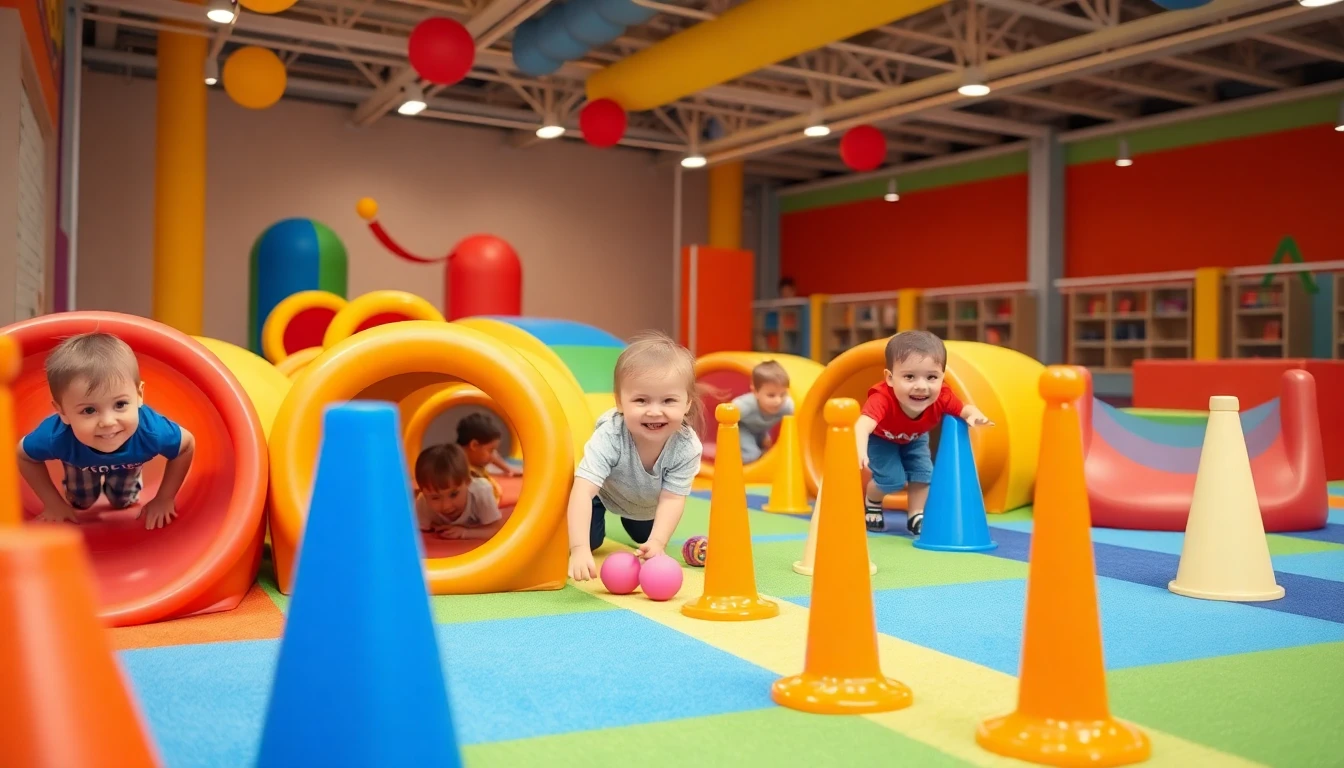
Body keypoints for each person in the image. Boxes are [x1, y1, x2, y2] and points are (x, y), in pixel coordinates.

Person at [16, 332, 195, 530]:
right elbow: (24, 456)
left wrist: (164, 498)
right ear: (62, 412)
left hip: (129, 462)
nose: (108, 422)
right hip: (79, 463)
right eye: (89, 410)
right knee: (81, 502)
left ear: (139, 395)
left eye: (120, 404)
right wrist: (53, 503)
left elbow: (186, 445)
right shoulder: (57, 437)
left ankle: (127, 485)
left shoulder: (151, 431)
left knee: (122, 501)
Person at [566, 330, 703, 580]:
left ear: (687, 404)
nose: (654, 411)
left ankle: (641, 528)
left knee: (645, 541)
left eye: (668, 401)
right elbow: (583, 490)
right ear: (619, 402)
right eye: (641, 400)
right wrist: (579, 549)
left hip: (647, 504)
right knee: (590, 541)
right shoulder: (611, 435)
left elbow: (672, 499)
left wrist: (658, 542)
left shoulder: (686, 447)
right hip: (603, 495)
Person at [855, 330, 992, 535]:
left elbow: (964, 408)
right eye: (910, 376)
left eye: (931, 377)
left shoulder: (943, 396)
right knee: (892, 480)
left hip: (915, 438)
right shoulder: (882, 398)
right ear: (890, 378)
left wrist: (974, 415)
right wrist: (860, 450)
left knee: (923, 474)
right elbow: (862, 425)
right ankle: (873, 501)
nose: (921, 386)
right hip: (882, 439)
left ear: (942, 378)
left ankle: (916, 514)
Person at [413, 442, 503, 540]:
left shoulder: (481, 492)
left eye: (454, 494)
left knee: (495, 492)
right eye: (435, 498)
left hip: (487, 489)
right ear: (423, 492)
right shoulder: (423, 501)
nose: (446, 506)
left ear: (468, 482)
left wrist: (465, 532)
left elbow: (497, 529)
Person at [731, 360, 793, 464]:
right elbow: (727, 415)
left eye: (783, 394)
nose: (778, 401)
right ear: (755, 392)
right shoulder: (745, 405)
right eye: (771, 395)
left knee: (769, 449)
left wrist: (766, 434)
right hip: (744, 429)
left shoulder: (787, 406)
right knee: (751, 454)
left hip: (762, 430)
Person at [455, 411, 518, 503]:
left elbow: (493, 456)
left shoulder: (471, 456)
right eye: (491, 450)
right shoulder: (462, 472)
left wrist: (508, 469)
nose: (492, 456)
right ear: (474, 445)